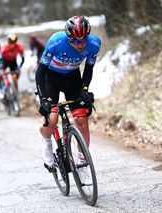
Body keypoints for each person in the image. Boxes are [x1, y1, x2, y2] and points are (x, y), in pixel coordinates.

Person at [35, 15, 101, 180]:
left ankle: (82, 163)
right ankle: (47, 143)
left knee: (82, 120)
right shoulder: (56, 42)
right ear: (68, 38)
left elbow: (88, 69)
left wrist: (85, 88)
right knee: (51, 120)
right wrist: (43, 98)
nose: (80, 44)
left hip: (73, 79)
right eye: (75, 41)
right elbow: (40, 71)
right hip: (51, 80)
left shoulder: (94, 44)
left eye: (83, 39)